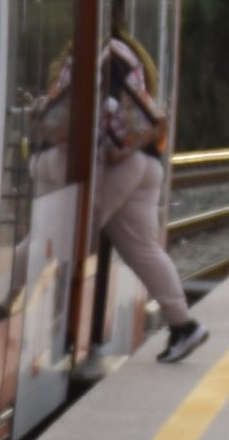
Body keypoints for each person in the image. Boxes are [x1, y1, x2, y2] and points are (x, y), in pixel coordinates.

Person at [81, 22, 206, 363]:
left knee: (71, 233)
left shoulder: (106, 56)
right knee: (142, 249)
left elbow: (105, 107)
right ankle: (184, 324)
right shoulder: (132, 57)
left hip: (125, 162)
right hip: (147, 162)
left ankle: (4, 304)